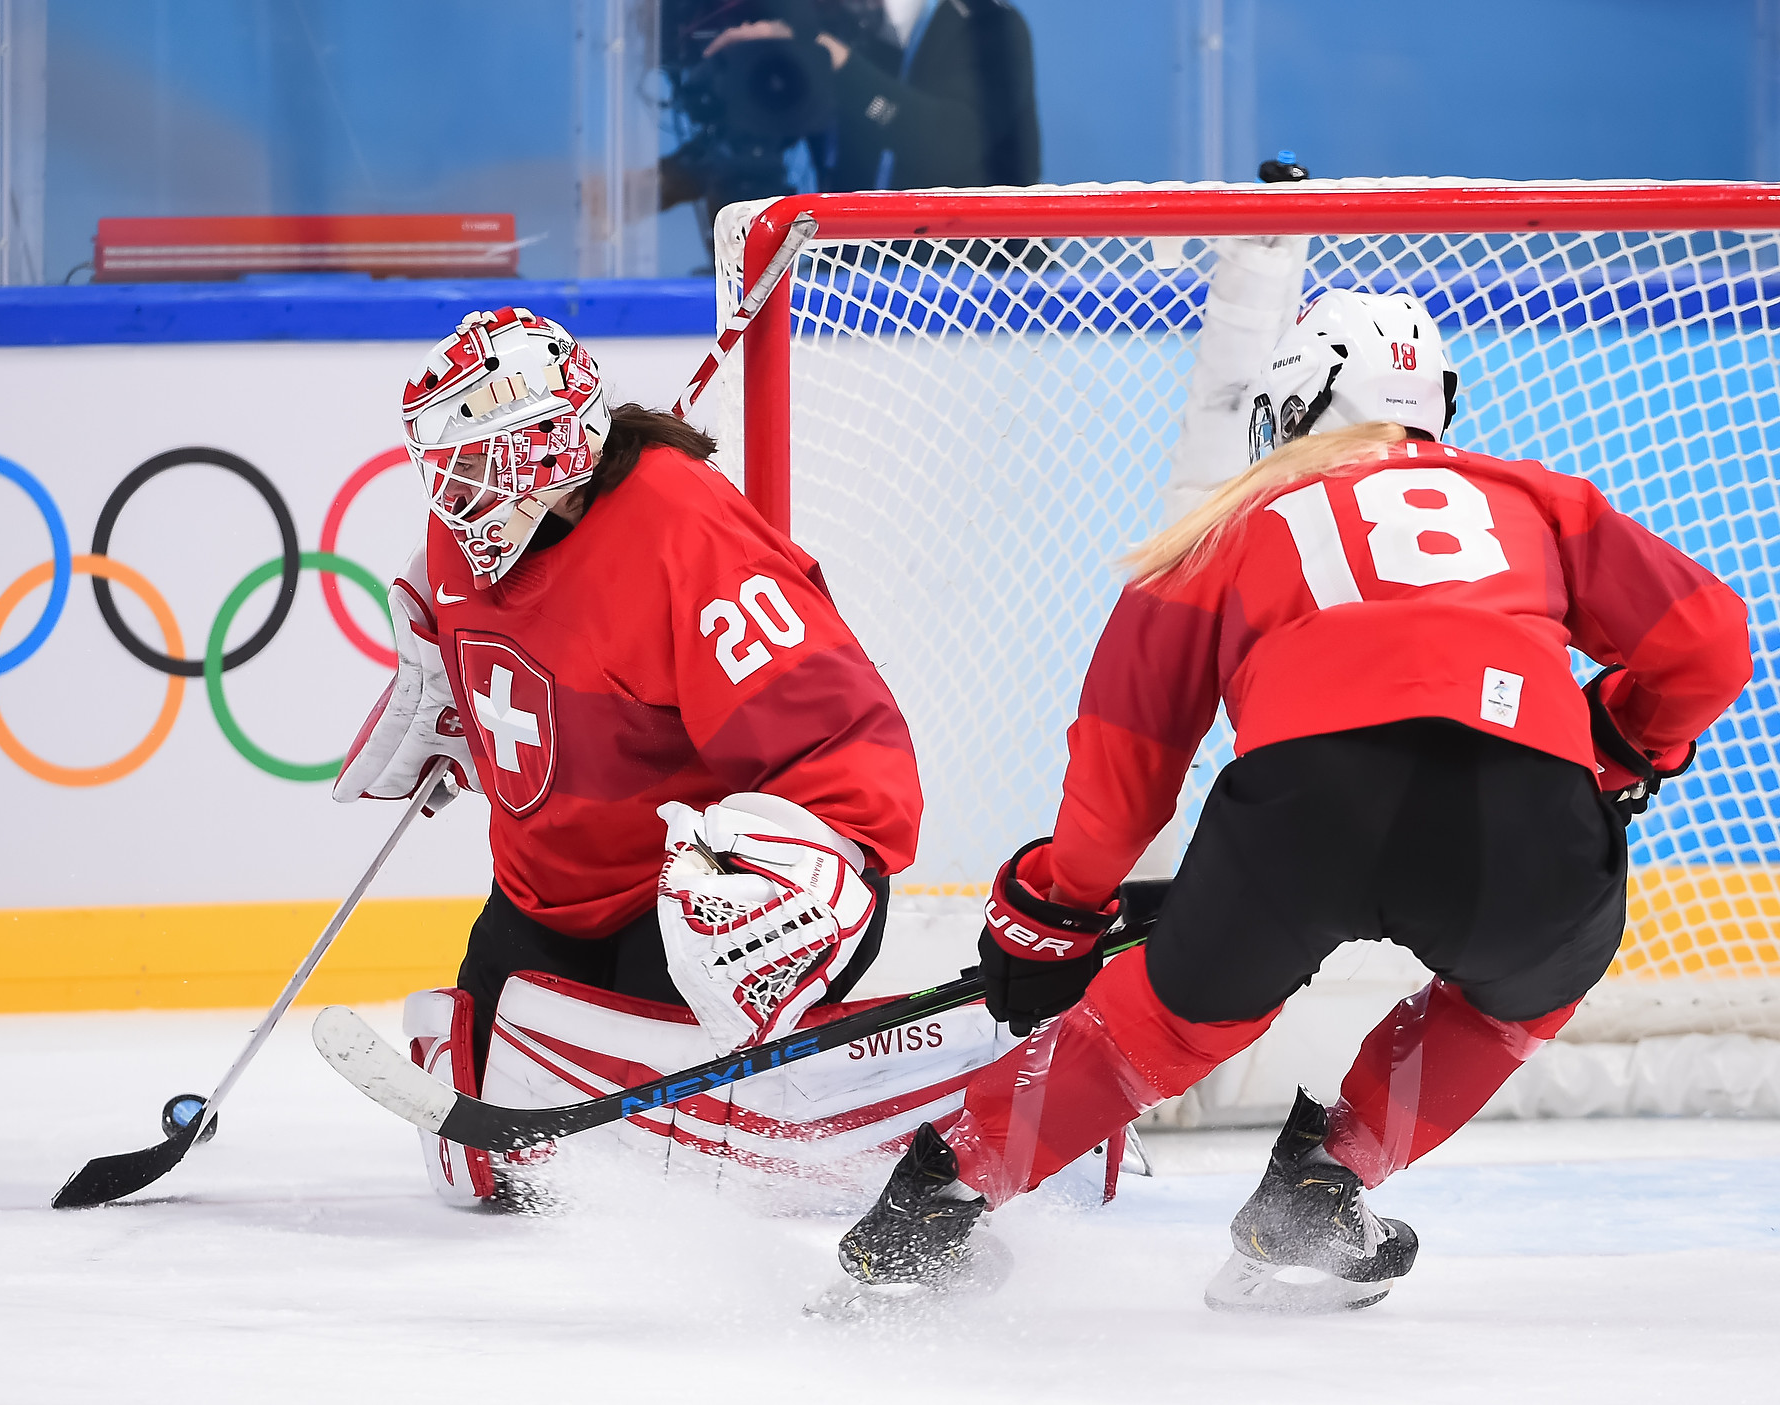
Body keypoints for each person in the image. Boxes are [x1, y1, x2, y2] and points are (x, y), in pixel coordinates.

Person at [827, 289, 1753, 1311]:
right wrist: (1619, 744)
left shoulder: (1216, 530)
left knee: (1157, 1029)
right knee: (1519, 995)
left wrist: (1057, 906)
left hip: (1302, 811)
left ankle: (925, 1210)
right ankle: (1323, 1186)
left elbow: (1124, 769)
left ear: (1293, 406)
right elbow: (1710, 642)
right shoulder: (1535, 496)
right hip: (1523, 808)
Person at [334, 306, 924, 1199]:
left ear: (547, 451)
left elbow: (836, 726)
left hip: (682, 906)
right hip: (545, 892)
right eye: (446, 462)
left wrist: (826, 864)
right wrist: (453, 697)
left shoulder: (684, 531)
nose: (452, 491)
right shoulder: (465, 539)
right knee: (490, 1160)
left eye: (476, 460)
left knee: (643, 1168)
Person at [662, 0, 1039, 246]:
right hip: (854, 293)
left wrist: (836, 61)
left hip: (983, 295)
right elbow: (758, 131)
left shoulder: (986, 25)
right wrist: (655, 182)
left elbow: (948, 148)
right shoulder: (841, 25)